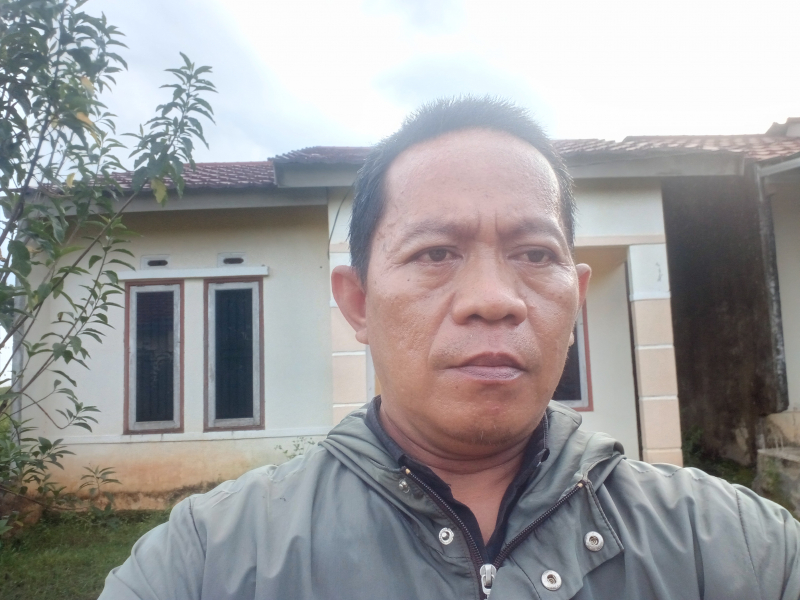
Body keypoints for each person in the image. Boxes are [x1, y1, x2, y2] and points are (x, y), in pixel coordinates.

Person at [99, 97, 800, 600]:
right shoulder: (207, 562)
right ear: (358, 302)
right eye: (435, 253)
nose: (493, 298)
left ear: (576, 299)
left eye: (534, 253)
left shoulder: (738, 549)